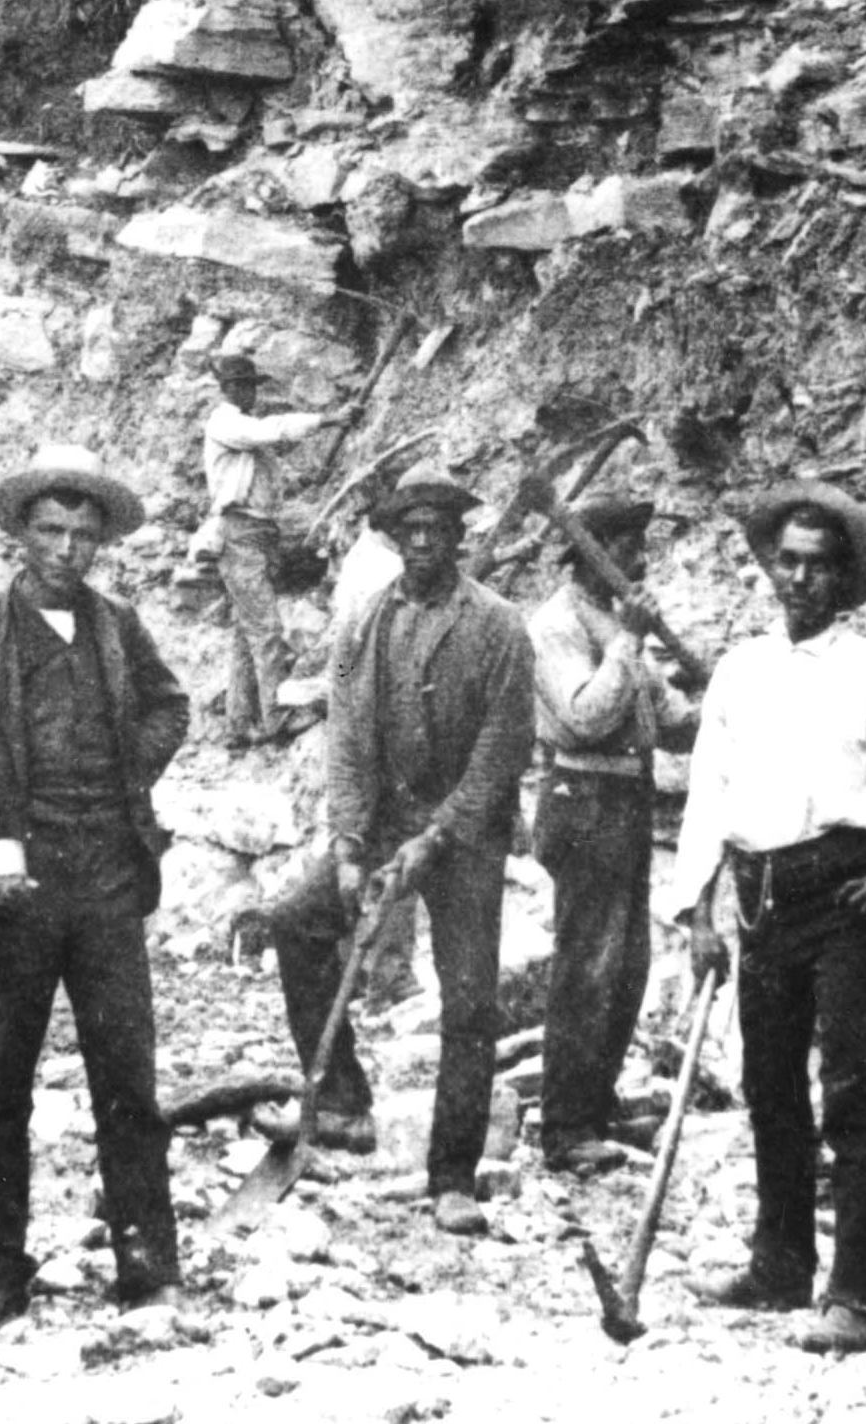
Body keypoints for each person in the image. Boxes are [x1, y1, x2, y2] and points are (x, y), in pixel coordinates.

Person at [671, 481, 866, 1357]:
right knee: (770, 1083)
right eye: (787, 561)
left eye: (818, 565)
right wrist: (698, 911)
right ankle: (779, 1263)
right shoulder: (741, 669)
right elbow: (708, 793)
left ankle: (856, 1291)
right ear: (768, 567)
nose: (800, 578)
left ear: (843, 576)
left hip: (846, 897)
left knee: (850, 1088)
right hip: (760, 897)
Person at [0, 444, 190, 1340]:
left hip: (107, 878)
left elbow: (171, 704)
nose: (67, 548)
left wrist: (128, 773)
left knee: (127, 1078)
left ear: (101, 540)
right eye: (50, 530)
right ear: (19, 535)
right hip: (15, 891)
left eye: (82, 533)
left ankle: (146, 1262)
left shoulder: (118, 624)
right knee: (0, 1083)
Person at [265, 466, 534, 1235]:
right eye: (409, 529)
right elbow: (349, 735)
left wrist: (437, 836)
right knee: (297, 921)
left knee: (469, 1000)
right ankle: (343, 1101)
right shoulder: (365, 621)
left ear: (457, 536)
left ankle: (452, 1174)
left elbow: (502, 750)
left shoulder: (497, 625)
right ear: (393, 536)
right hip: (385, 820)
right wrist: (351, 844)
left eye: (435, 529)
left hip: (465, 832)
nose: (422, 542)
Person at [525, 494, 705, 1173]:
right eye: (629, 548)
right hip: (582, 801)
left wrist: (720, 700)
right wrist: (629, 640)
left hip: (627, 800)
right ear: (592, 553)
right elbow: (585, 717)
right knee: (587, 965)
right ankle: (565, 1128)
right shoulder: (558, 623)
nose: (642, 561)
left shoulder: (614, 617)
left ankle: (595, 1106)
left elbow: (668, 721)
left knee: (628, 966)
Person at [197, 352, 340, 749]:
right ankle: (277, 718)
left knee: (247, 634)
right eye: (242, 386)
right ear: (228, 388)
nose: (250, 393)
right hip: (239, 534)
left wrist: (308, 479)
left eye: (251, 386)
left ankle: (240, 724)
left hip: (258, 533)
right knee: (266, 629)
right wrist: (328, 419)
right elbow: (273, 430)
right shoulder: (227, 423)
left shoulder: (245, 435)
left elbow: (267, 484)